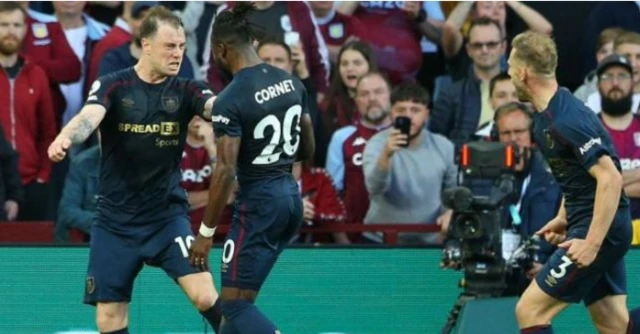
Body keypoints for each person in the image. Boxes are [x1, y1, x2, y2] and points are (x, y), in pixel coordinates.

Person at [47, 6, 221, 334]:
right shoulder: (113, 84)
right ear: (146, 45)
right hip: (115, 222)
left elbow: (215, 108)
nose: (178, 53)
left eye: (182, 46)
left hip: (166, 217)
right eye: (170, 46)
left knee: (204, 296)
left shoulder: (189, 89)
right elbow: (90, 116)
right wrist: (66, 137)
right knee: (109, 319)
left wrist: (237, 108)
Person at [189, 3, 315, 333]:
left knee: (234, 304)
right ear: (253, 43)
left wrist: (205, 234)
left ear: (219, 49)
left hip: (259, 204)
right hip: (290, 200)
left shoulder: (230, 99)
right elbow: (308, 147)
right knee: (239, 306)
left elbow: (226, 170)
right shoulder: (291, 83)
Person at [508, 31, 635, 334]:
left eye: (511, 66)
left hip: (599, 230)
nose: (509, 74)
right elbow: (577, 176)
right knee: (612, 323)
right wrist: (564, 217)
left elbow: (610, 177)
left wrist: (591, 243)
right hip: (593, 225)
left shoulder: (566, 118)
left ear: (524, 72)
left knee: (530, 310)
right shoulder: (547, 116)